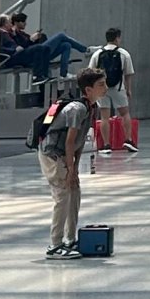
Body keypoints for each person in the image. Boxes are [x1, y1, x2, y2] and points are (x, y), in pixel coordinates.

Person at [40, 68, 104, 259]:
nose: (105, 88)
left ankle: (70, 239)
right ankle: (54, 244)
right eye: (100, 85)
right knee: (63, 195)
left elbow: (79, 141)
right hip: (53, 155)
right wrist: (69, 170)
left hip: (65, 156)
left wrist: (75, 169)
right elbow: (69, 142)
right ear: (88, 89)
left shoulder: (92, 107)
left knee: (74, 192)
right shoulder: (77, 109)